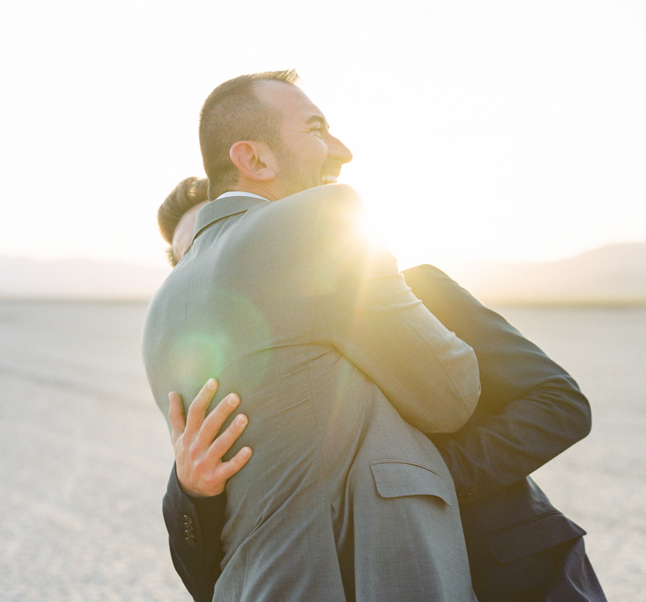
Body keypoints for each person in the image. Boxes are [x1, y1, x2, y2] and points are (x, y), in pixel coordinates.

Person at [155, 172, 607, 601]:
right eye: (193, 255)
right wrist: (193, 492)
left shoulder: (417, 291)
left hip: (512, 573)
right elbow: (209, 583)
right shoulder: (215, 374)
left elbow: (560, 403)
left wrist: (427, 474)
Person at [142, 70, 482, 601]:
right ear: (254, 160)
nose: (341, 150)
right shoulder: (322, 221)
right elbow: (451, 394)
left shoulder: (162, 308)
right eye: (317, 128)